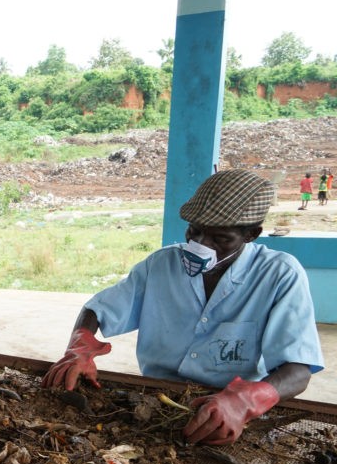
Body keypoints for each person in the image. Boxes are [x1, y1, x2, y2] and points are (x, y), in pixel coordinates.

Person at [42, 169, 324, 446]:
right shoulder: (161, 265)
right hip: (157, 397)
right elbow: (97, 310)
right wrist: (80, 345)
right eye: (195, 232)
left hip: (226, 410)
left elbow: (297, 371)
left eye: (220, 239)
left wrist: (245, 401)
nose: (201, 246)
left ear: (251, 234)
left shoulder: (279, 274)